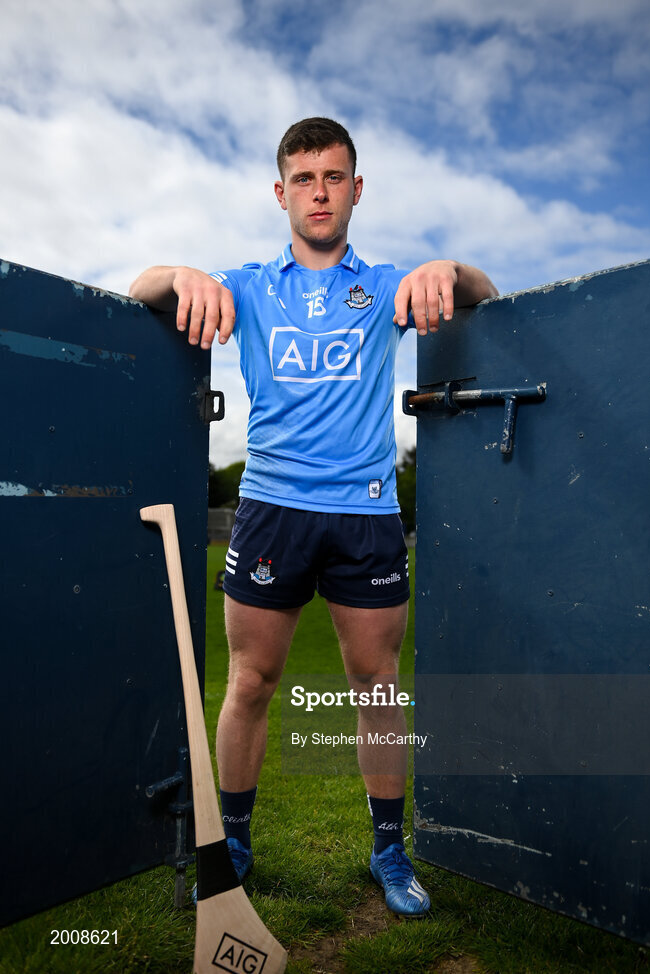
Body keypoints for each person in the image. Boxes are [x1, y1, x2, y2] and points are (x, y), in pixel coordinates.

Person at [129, 117, 498, 916]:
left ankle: (389, 853)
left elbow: (485, 298)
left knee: (376, 685)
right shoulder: (251, 286)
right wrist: (178, 274)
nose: (319, 191)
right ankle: (231, 842)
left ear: (356, 190)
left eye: (334, 177)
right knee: (252, 681)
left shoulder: (393, 284)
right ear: (281, 192)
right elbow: (140, 295)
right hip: (270, 510)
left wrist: (452, 267)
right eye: (304, 178)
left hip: (364, 513)